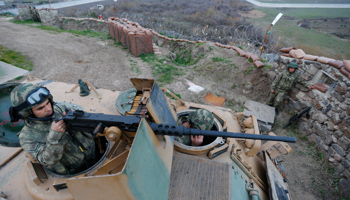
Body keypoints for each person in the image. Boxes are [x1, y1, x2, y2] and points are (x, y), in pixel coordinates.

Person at [9, 83, 95, 175]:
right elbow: (48, 161)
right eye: (40, 108)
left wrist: (77, 118)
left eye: (48, 102)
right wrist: (54, 136)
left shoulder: (59, 109)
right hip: (75, 172)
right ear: (27, 113)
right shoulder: (26, 137)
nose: (49, 109)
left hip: (93, 153)